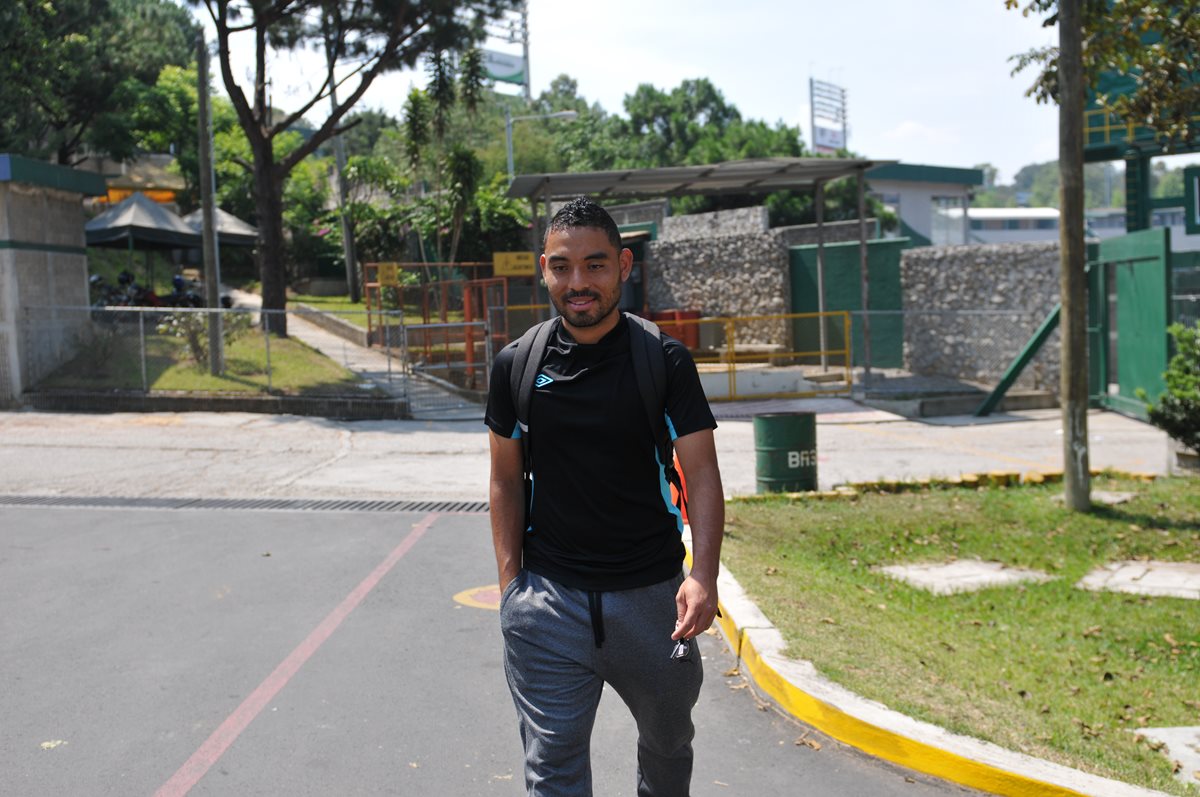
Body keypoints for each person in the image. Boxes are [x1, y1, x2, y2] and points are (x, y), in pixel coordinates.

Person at [485, 196, 724, 797]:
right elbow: (504, 478)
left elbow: (702, 473)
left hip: (652, 605)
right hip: (549, 605)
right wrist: (513, 585)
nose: (578, 282)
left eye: (594, 265)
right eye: (562, 266)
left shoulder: (663, 360)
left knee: (668, 746)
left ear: (622, 265)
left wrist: (704, 576)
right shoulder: (517, 364)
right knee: (552, 767)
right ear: (544, 268)